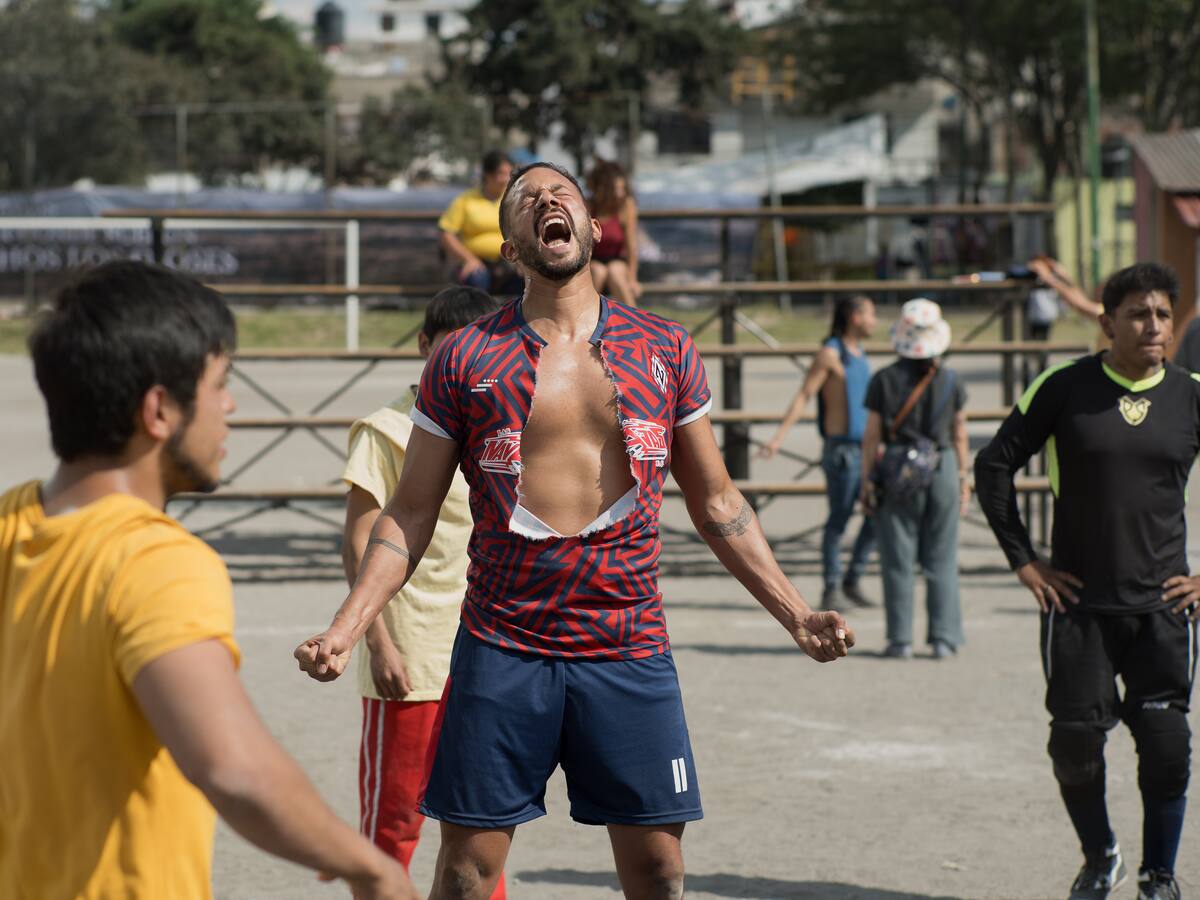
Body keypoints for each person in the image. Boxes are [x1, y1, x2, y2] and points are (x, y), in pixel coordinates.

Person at [296, 161, 855, 900]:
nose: (547, 200)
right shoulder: (464, 358)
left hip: (628, 644)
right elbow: (408, 513)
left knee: (659, 870)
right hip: (503, 647)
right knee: (466, 873)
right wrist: (348, 626)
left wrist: (797, 612)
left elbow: (718, 501)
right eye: (526, 199)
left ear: (594, 229)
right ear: (511, 249)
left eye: (563, 193)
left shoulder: (667, 349)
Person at [0, 261, 411, 899]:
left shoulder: (10, 521)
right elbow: (233, 765)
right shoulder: (154, 560)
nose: (230, 405)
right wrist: (370, 865)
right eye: (219, 384)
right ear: (159, 410)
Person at [975, 262, 1197, 900]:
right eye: (1138, 313)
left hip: (1163, 609)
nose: (1153, 325)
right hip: (1077, 606)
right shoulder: (1063, 386)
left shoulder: (1191, 393)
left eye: (1162, 313)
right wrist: (1024, 560)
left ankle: (1159, 874)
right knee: (1074, 741)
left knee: (1166, 746)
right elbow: (994, 468)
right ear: (1107, 322)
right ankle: (1102, 857)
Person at [342, 285, 505, 896]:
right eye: (449, 349)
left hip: (485, 656)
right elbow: (359, 544)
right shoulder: (386, 430)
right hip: (409, 659)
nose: (463, 363)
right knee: (394, 826)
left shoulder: (501, 426)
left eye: (479, 350)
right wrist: (378, 645)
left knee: (484, 829)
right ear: (423, 346)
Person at [860, 298, 969, 660]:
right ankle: (943, 637)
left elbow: (872, 435)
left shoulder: (884, 379)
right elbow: (960, 432)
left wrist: (866, 480)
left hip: (896, 466)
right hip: (943, 465)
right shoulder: (952, 380)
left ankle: (900, 639)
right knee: (941, 556)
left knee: (897, 557)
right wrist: (964, 477)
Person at [759, 294, 879, 612]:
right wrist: (778, 438)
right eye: (870, 315)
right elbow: (804, 395)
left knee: (875, 515)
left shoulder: (860, 352)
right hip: (841, 451)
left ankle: (852, 580)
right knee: (838, 521)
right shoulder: (830, 353)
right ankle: (832, 588)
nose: (875, 321)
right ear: (854, 317)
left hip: (863, 450)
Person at [438, 150, 522, 295]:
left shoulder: (514, 200)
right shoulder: (466, 200)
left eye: (509, 174)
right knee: (476, 280)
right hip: (477, 263)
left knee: (525, 280)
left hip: (509, 263)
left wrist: (523, 261)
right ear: (488, 175)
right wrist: (468, 259)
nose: (505, 179)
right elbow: (446, 233)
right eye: (501, 174)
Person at [586, 158, 642, 307]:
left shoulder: (626, 205)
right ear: (603, 188)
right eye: (616, 189)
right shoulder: (589, 206)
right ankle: (590, 320)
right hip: (594, 260)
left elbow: (631, 245)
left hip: (617, 259)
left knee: (614, 271)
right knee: (598, 271)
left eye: (622, 189)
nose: (620, 194)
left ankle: (634, 321)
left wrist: (632, 279)